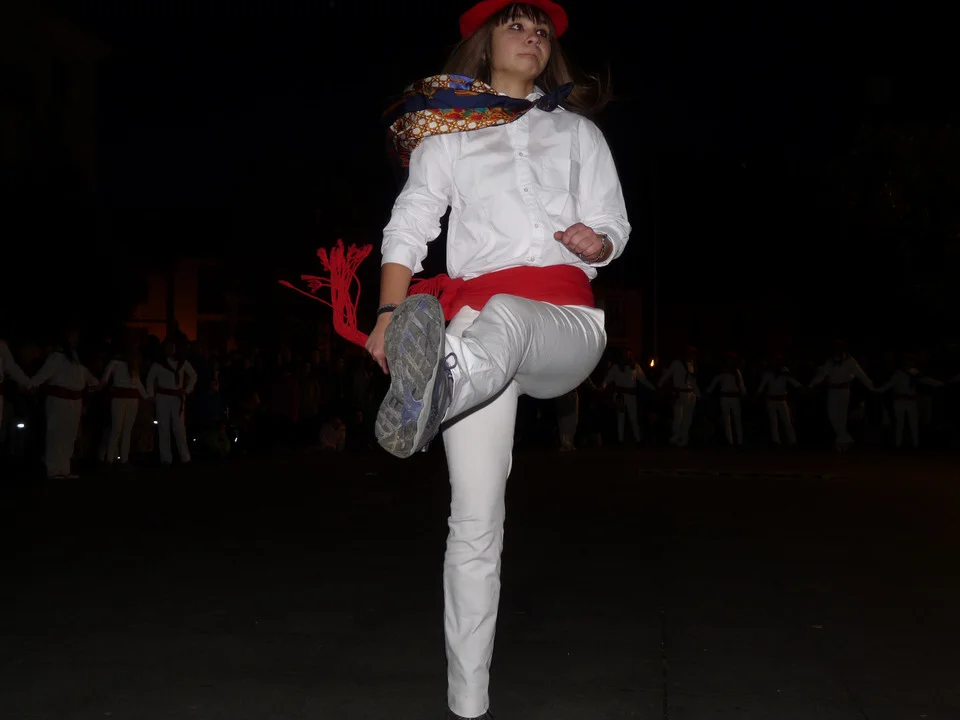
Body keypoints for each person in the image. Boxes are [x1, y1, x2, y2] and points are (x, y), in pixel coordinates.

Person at [364, 2, 630, 717]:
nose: (533, 37)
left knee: (505, 315)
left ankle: (437, 386)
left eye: (541, 31)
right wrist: (388, 313)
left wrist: (600, 241)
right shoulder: (447, 137)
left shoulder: (578, 133)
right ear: (484, 43)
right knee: (474, 522)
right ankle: (468, 703)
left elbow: (614, 220)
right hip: (473, 328)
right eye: (517, 25)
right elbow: (411, 221)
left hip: (565, 324)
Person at [30, 328, 99, 479]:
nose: (75, 340)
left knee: (70, 434)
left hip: (75, 401)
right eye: (72, 336)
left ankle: (65, 468)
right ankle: (54, 469)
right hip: (58, 400)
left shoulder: (79, 359)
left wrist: (95, 384)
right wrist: (30, 384)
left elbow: (89, 378)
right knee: (56, 433)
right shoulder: (57, 357)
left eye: (76, 337)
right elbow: (43, 374)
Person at [809, 340, 874, 450]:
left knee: (841, 416)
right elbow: (822, 374)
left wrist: (871, 386)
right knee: (832, 414)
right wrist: (811, 385)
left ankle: (841, 441)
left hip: (844, 391)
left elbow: (861, 375)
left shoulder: (850, 361)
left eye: (839, 347)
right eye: (835, 347)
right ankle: (845, 439)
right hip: (832, 390)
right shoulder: (830, 362)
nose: (837, 350)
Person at [146, 339, 198, 465]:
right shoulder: (158, 364)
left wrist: (186, 390)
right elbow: (150, 379)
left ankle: (185, 457)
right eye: (168, 347)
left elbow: (194, 375)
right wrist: (151, 395)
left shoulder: (182, 363)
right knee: (163, 427)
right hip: (162, 397)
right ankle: (166, 458)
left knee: (179, 428)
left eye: (172, 347)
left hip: (177, 398)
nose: (170, 349)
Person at [876, 353, 943, 449]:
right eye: (907, 361)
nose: (909, 363)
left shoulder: (914, 373)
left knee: (913, 424)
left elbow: (926, 380)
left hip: (911, 401)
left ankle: (915, 444)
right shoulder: (898, 374)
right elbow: (888, 385)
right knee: (900, 424)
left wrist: (938, 384)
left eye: (910, 361)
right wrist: (877, 390)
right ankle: (899, 444)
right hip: (900, 400)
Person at [99, 343, 148, 468]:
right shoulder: (115, 362)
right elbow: (105, 378)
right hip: (119, 399)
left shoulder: (133, 365)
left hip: (132, 399)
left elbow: (138, 383)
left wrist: (147, 397)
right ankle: (110, 459)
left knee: (126, 430)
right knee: (117, 429)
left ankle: (123, 459)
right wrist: (100, 386)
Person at [658, 346, 701, 447]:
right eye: (691, 354)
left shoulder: (692, 364)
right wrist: (659, 386)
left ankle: (683, 438)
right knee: (678, 417)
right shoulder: (677, 363)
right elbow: (667, 375)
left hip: (690, 394)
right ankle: (676, 437)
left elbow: (693, 382)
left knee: (687, 418)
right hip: (680, 393)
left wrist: (698, 394)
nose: (692, 356)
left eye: (693, 354)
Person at [756, 355, 802, 445]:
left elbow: (794, 382)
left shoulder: (784, 372)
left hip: (782, 400)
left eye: (777, 361)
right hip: (771, 400)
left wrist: (801, 388)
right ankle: (776, 441)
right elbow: (762, 386)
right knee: (773, 422)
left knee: (787, 421)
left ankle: (792, 441)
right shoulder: (768, 373)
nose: (776, 363)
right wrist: (757, 395)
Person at [707, 351, 747, 446]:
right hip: (725, 398)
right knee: (727, 420)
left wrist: (744, 394)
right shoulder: (722, 371)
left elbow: (741, 384)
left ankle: (739, 441)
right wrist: (708, 391)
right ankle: (730, 442)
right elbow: (715, 381)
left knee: (737, 420)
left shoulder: (736, 372)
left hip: (734, 398)